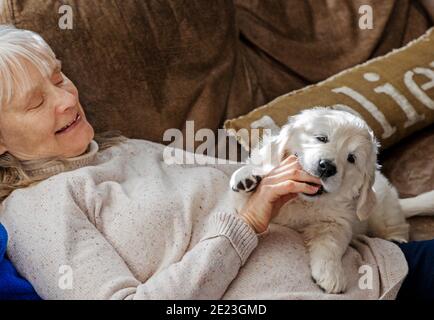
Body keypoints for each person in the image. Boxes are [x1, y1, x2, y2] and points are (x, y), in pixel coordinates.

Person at [0, 25, 431, 300]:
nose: (67, 98)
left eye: (59, 77)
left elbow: (242, 177)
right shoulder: (39, 211)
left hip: (375, 265)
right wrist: (248, 222)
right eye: (37, 102)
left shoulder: (124, 148)